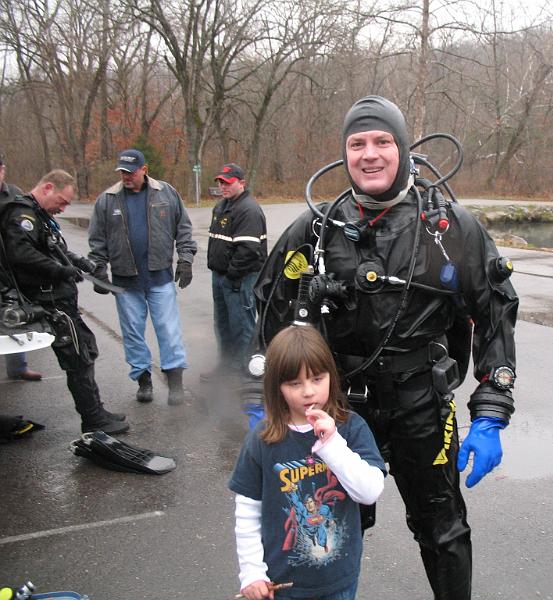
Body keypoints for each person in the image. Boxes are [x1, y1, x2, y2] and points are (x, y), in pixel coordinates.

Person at [251, 96, 518, 599]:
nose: (369, 154)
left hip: (422, 404)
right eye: (357, 144)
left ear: (404, 150)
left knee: (443, 530)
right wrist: (262, 395)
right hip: (337, 413)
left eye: (382, 142)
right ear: (343, 154)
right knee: (323, 530)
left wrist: (492, 410)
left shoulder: (451, 230)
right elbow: (271, 307)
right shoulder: (315, 231)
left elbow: (496, 311)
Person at [229, 325, 385, 600]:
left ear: (331, 377)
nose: (308, 392)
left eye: (316, 379)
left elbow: (369, 491)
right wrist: (252, 571)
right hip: (282, 584)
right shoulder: (263, 438)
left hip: (339, 579)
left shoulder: (351, 428)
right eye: (294, 384)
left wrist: (332, 444)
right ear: (277, 386)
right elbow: (248, 510)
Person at [0, 169, 129, 434]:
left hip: (61, 300)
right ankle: (93, 421)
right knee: (77, 359)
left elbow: (52, 247)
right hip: (49, 301)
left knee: (84, 353)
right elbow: (22, 255)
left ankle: (96, 412)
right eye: (62, 201)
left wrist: (78, 261)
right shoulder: (21, 215)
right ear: (47, 188)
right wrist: (61, 271)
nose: (63, 208)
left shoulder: (39, 215)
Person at [88, 149, 197, 406]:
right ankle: (143, 379)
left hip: (159, 277)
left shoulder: (166, 193)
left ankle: (175, 381)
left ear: (144, 169)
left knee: (169, 331)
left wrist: (185, 259)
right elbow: (97, 239)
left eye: (131, 171)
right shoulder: (107, 200)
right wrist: (99, 268)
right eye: (122, 172)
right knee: (133, 333)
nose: (126, 176)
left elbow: (183, 229)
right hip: (126, 281)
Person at [203, 163, 267, 379]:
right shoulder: (222, 207)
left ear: (241, 183)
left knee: (241, 325)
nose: (223, 186)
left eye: (228, 182)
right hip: (220, 277)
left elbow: (249, 250)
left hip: (240, 278)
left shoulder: (248, 209)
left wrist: (231, 275)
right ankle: (226, 364)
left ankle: (242, 369)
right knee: (222, 324)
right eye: (220, 182)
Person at [0, 155, 43, 382]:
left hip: (10, 266)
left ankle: (18, 367)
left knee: (14, 316)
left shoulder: (14, 194)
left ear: (3, 170)